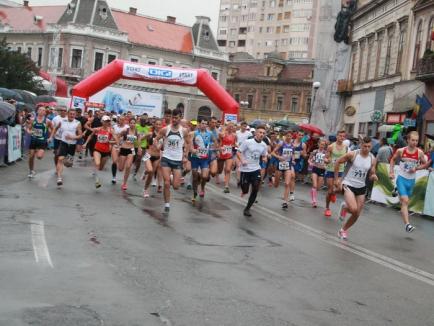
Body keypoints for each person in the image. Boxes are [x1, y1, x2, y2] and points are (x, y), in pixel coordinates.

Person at [334, 137, 377, 240]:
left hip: (361, 186)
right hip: (348, 183)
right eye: (364, 146)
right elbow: (338, 162)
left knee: (357, 213)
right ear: (361, 145)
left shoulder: (372, 158)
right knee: (353, 209)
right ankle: (345, 207)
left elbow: (371, 173)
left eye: (369, 147)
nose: (366, 148)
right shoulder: (353, 154)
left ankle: (343, 230)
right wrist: (337, 179)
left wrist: (373, 177)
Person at [389, 131, 427, 232]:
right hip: (401, 178)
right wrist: (391, 172)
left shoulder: (419, 152)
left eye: (417, 140)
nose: (415, 142)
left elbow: (425, 164)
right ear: (408, 140)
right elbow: (392, 160)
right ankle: (407, 225)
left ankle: (396, 191)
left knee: (405, 201)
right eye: (413, 140)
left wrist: (417, 168)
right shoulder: (401, 151)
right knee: (405, 201)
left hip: (411, 181)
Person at [155, 108, 190, 214]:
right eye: (173, 117)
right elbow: (156, 139)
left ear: (180, 118)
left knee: (176, 186)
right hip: (166, 158)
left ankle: (171, 177)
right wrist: (157, 145)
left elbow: (188, 143)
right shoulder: (165, 129)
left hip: (177, 160)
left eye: (176, 118)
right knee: (166, 184)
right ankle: (167, 204)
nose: (174, 120)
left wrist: (185, 155)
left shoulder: (183, 131)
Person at [237, 125, 268, 217]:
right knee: (245, 189)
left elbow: (264, 154)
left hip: (255, 169)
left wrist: (265, 158)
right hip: (245, 169)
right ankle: (244, 191)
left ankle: (247, 209)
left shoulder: (264, 145)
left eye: (263, 133)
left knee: (255, 187)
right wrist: (242, 160)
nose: (261, 134)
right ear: (255, 133)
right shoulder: (247, 142)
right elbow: (239, 152)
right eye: (260, 132)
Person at [50, 108, 82, 187]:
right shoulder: (62, 121)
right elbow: (55, 128)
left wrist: (73, 137)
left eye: (73, 114)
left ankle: (65, 161)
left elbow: (80, 135)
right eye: (70, 114)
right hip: (63, 143)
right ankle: (59, 178)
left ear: (75, 115)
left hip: (72, 145)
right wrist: (52, 136)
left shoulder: (77, 123)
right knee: (60, 159)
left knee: (68, 164)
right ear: (68, 114)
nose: (72, 115)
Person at [190, 118, 216, 202]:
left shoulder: (210, 133)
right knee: (194, 175)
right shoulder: (194, 133)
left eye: (205, 124)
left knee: (204, 176)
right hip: (195, 158)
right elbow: (189, 143)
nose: (204, 125)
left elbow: (215, 142)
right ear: (199, 124)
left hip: (205, 158)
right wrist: (192, 149)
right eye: (202, 123)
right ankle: (194, 192)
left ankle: (202, 188)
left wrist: (214, 148)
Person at [85, 115, 115, 188]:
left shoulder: (111, 130)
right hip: (97, 149)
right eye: (105, 121)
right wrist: (85, 143)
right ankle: (97, 181)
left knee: (100, 168)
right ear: (102, 122)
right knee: (97, 164)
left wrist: (109, 141)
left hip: (106, 151)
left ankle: (95, 170)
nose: (106, 123)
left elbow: (116, 141)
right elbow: (90, 136)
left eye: (108, 121)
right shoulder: (97, 129)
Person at [324, 130, 348, 217]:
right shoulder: (331, 146)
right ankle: (327, 208)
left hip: (341, 171)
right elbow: (326, 158)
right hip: (331, 170)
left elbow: (347, 158)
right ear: (337, 136)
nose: (341, 137)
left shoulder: (345, 147)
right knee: (330, 190)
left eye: (343, 136)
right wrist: (327, 160)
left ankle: (333, 193)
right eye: (340, 136)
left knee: (339, 188)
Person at [26, 106, 53, 178]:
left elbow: (52, 129)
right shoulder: (32, 120)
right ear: (37, 111)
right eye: (40, 110)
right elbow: (28, 129)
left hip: (42, 141)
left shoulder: (47, 121)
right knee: (31, 156)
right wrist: (29, 131)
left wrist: (50, 137)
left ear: (45, 112)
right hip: (33, 140)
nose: (41, 111)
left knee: (39, 157)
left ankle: (38, 150)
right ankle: (31, 171)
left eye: (43, 110)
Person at [117, 118, 143, 191]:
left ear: (135, 124)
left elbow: (139, 141)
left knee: (128, 166)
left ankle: (124, 183)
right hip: (123, 149)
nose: (132, 124)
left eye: (134, 123)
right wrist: (119, 145)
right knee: (121, 169)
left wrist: (140, 148)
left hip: (131, 150)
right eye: (131, 123)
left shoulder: (137, 132)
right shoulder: (125, 131)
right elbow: (118, 137)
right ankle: (119, 162)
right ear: (129, 123)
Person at [272, 130, 295, 209]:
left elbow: (293, 154)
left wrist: (293, 160)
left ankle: (285, 202)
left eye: (290, 136)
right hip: (280, 164)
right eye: (287, 136)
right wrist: (279, 157)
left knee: (287, 183)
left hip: (288, 165)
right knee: (276, 185)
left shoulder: (292, 145)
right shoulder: (281, 143)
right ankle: (273, 179)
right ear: (285, 136)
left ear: (292, 137)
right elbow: (273, 152)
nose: (289, 137)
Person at [143, 119, 163, 197]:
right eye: (157, 124)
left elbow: (160, 148)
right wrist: (142, 148)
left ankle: (145, 189)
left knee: (151, 174)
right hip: (148, 155)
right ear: (154, 125)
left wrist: (160, 145)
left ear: (161, 126)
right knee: (150, 170)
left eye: (159, 124)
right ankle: (145, 189)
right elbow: (141, 139)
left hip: (157, 157)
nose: (158, 126)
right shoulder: (150, 134)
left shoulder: (163, 136)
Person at [218, 122, 237, 193]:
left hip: (229, 154)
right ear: (227, 127)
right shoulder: (223, 133)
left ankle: (226, 186)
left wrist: (235, 146)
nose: (231, 128)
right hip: (222, 153)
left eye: (232, 127)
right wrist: (224, 128)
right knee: (219, 171)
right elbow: (220, 139)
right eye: (230, 126)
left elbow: (234, 144)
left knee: (228, 169)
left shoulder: (234, 135)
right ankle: (218, 174)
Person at [308, 139, 327, 208]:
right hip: (315, 169)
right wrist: (310, 163)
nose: (322, 146)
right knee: (315, 185)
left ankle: (312, 192)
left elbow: (328, 161)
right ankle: (314, 201)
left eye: (324, 145)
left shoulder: (326, 153)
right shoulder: (315, 152)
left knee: (318, 187)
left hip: (322, 170)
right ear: (318, 144)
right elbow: (309, 159)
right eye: (321, 144)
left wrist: (326, 164)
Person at [111, 115, 129, 184]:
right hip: (115, 146)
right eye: (120, 119)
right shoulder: (114, 127)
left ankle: (120, 164)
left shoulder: (127, 127)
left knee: (121, 169)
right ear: (118, 120)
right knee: (114, 161)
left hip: (123, 147)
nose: (121, 121)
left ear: (125, 120)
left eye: (122, 120)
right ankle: (114, 177)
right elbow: (112, 137)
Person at [133, 114, 151, 180]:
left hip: (143, 145)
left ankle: (135, 173)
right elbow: (134, 134)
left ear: (146, 121)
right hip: (135, 144)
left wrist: (148, 143)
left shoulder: (148, 128)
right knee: (134, 158)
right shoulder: (136, 126)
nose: (143, 122)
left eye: (144, 120)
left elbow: (148, 139)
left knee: (139, 159)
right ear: (140, 121)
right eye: (142, 120)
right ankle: (134, 164)